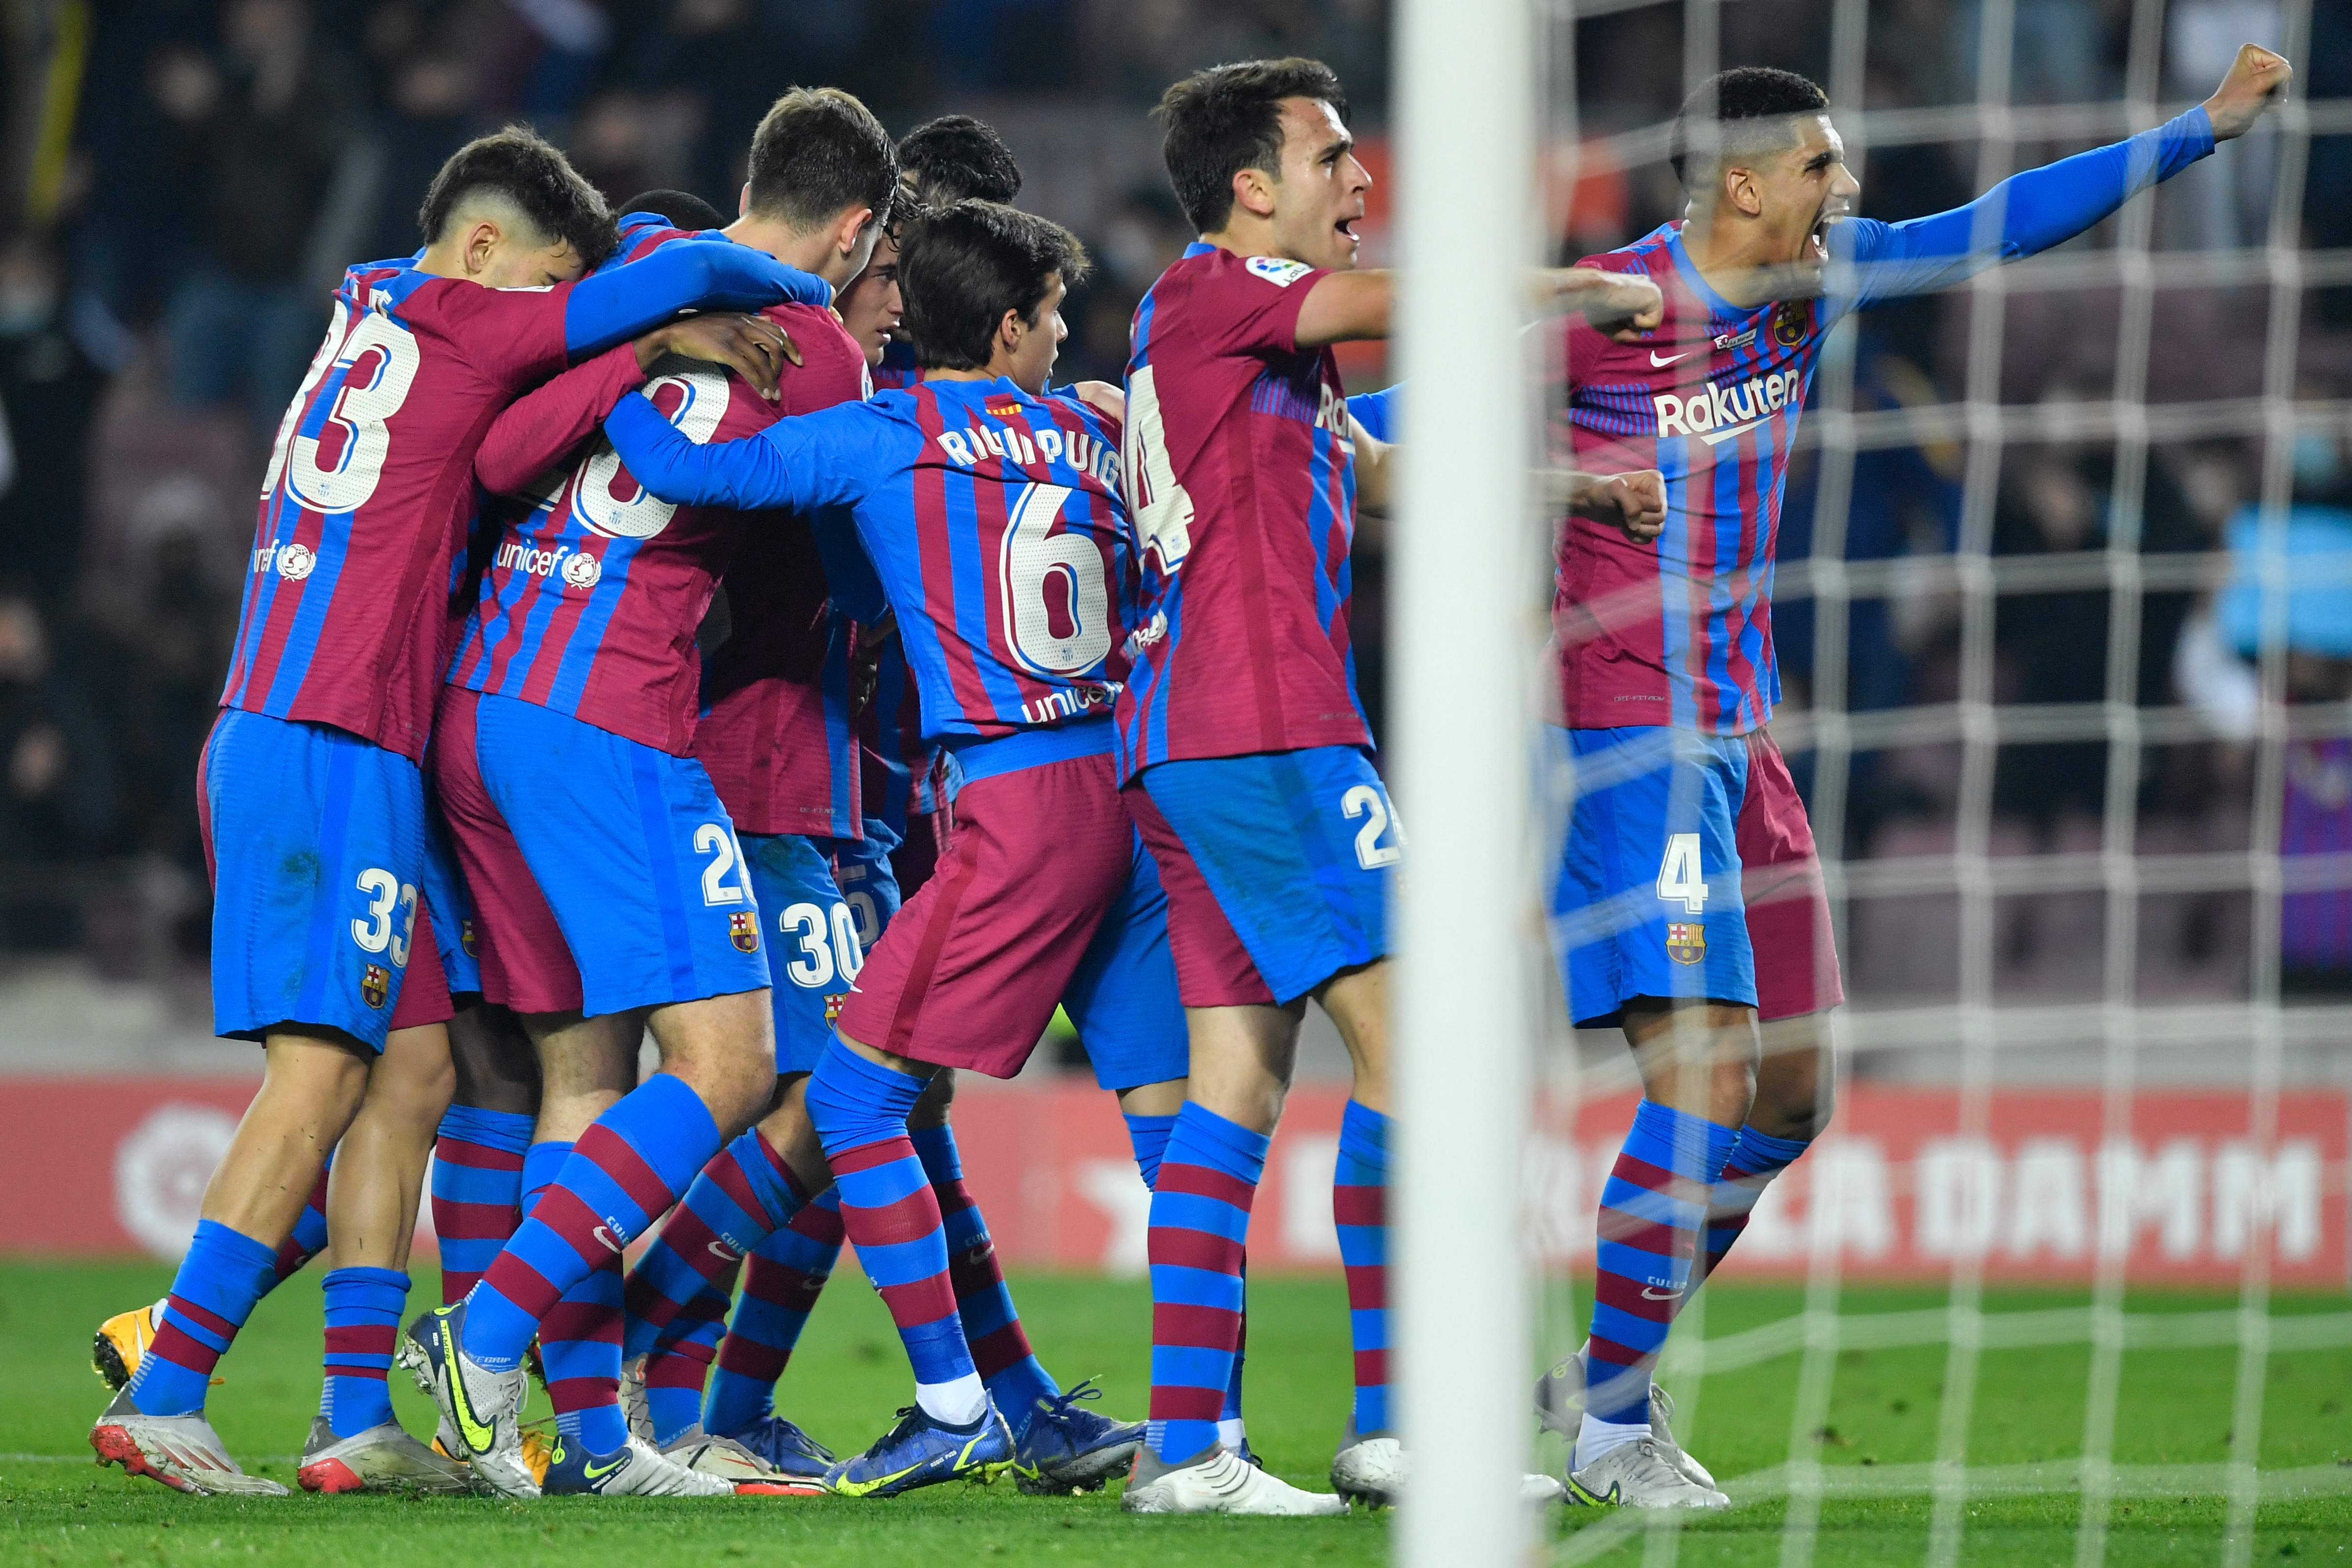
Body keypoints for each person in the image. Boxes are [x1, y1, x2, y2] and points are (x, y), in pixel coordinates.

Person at [1547, 46, 2292, 1511]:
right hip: (1632, 729)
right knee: (1697, 1085)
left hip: (1744, 735)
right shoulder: (1604, 307)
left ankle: (1601, 1364)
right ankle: (1609, 1427)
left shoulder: (1818, 282)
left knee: (1799, 1085)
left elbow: (2004, 219)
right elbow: (1385, 423)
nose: (1851, 188)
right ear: (1743, 184)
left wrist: (2197, 132)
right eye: (1823, 166)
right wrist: (1558, 489)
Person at [89, 126, 833, 1499]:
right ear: (486, 250)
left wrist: (625, 348)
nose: (545, 321)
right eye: (542, 284)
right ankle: (171, 1385)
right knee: (320, 1075)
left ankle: (353, 1411)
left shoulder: (374, 305)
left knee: (416, 1074)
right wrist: (730, 307)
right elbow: (701, 270)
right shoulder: (473, 324)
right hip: (332, 737)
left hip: (327, 733)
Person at [1111, 57, 1661, 1516]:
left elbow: (1369, 466)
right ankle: (1398, 1425)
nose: (1363, 181)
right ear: (1251, 185)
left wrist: (1576, 490)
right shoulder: (1219, 291)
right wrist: (1574, 289)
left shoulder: (1242, 343)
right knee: (1428, 1049)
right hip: (1269, 730)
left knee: (1234, 1085)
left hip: (1192, 744)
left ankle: (1187, 1452)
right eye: (1334, 155)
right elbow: (1407, 302)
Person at [600, 198, 1188, 1501]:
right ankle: (1208, 1443)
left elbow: (704, 474)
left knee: (859, 1101)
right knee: (1176, 1128)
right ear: (1009, 320)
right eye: (1046, 317)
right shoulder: (1091, 430)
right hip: (1123, 790)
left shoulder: (890, 434)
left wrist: (623, 379)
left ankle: (954, 1402)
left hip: (1012, 808)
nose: (1057, 338)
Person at [407, 92, 888, 1502]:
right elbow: (849, 580)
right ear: (855, 231)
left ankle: (595, 1445)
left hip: (486, 701)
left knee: (585, 1074)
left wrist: (637, 351)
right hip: (609, 716)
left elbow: (499, 461)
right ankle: (481, 1340)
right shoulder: (816, 351)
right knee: (732, 1066)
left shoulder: (628, 290)